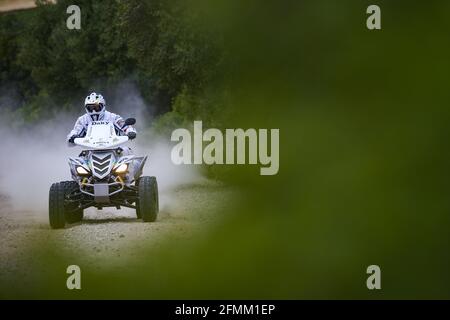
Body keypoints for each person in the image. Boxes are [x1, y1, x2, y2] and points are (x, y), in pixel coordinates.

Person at [67, 92, 137, 146]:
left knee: (127, 151)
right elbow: (75, 131)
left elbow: (123, 125)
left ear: (103, 106)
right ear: (86, 108)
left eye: (96, 107)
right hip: (90, 150)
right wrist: (72, 137)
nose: (94, 110)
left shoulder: (112, 117)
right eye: (90, 108)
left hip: (115, 148)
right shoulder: (82, 120)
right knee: (77, 161)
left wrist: (130, 132)